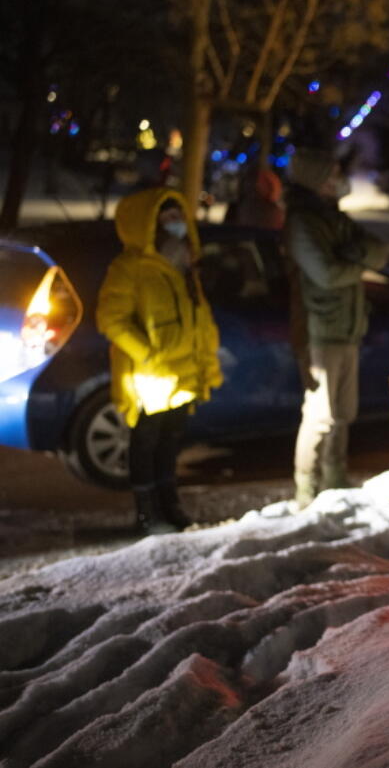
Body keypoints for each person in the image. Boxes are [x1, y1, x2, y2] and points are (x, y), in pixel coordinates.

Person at [96, 188, 223, 534]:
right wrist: (148, 353)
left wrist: (207, 356)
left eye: (178, 216)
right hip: (151, 375)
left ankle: (170, 503)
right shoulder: (130, 268)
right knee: (146, 440)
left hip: (183, 370)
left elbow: (199, 316)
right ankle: (146, 513)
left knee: (171, 439)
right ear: (147, 224)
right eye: (167, 218)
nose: (177, 224)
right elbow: (111, 319)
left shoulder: (185, 263)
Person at [285, 148, 389, 507]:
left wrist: (351, 257)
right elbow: (326, 274)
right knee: (319, 415)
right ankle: (306, 486)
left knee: (343, 412)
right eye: (329, 175)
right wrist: (356, 263)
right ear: (315, 180)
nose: (336, 181)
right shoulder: (303, 222)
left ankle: (334, 475)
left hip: (347, 326)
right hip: (321, 328)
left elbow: (378, 251)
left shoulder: (333, 217)